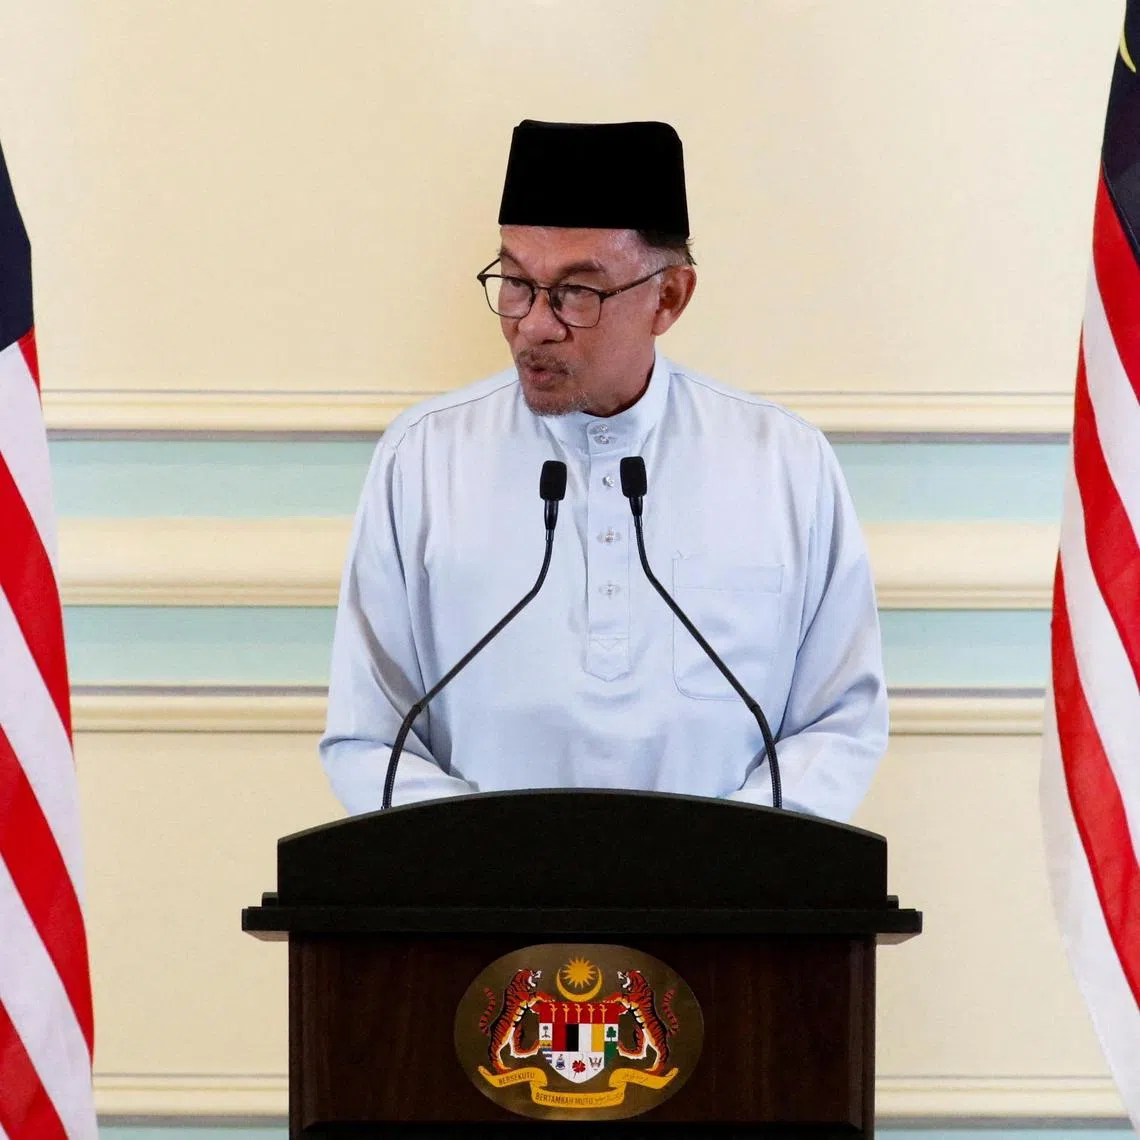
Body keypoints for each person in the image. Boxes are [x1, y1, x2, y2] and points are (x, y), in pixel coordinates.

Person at [320, 119, 887, 820]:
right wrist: (486, 864)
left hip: (725, 915)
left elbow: (839, 720)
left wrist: (724, 865)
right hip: (484, 916)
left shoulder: (783, 463)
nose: (533, 325)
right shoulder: (424, 458)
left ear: (669, 297)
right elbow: (368, 734)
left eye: (576, 293)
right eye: (517, 284)